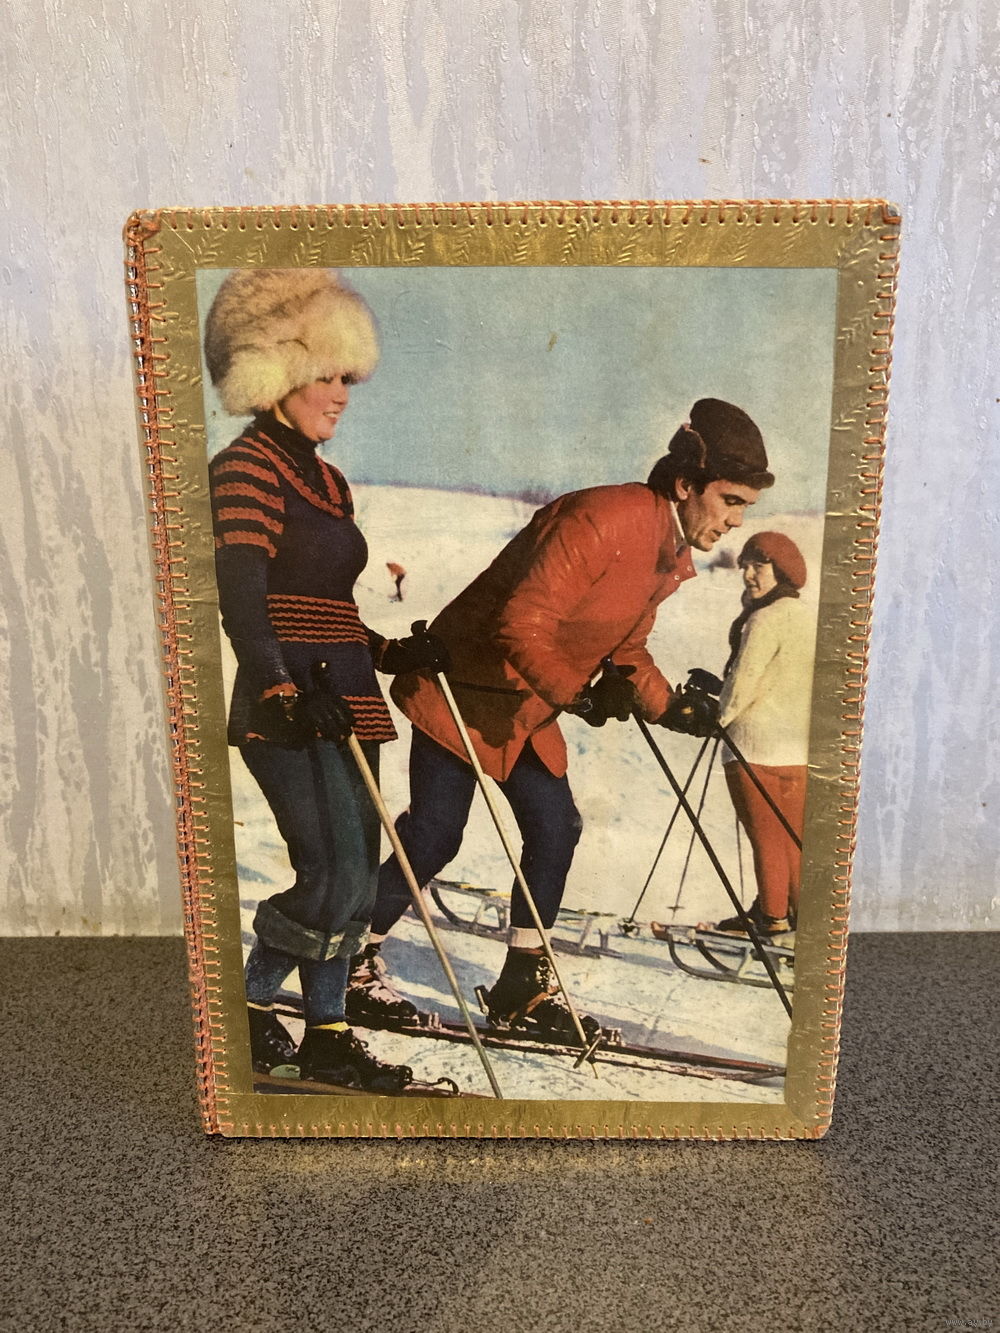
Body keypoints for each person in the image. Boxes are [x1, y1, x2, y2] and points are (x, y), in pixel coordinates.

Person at [347, 398, 775, 1038]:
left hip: (524, 706)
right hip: (462, 691)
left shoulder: (667, 548)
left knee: (555, 828)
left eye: (746, 506)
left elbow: (627, 650)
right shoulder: (601, 518)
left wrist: (671, 708)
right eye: (731, 500)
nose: (736, 521)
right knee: (435, 834)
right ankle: (350, 959)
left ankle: (521, 985)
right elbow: (521, 623)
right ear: (687, 484)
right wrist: (580, 695)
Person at [204, 268, 446, 1092]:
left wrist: (389, 651)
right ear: (274, 374)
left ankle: (328, 1033)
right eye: (326, 375)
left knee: (356, 878)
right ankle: (243, 1006)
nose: (342, 394)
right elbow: (245, 601)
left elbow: (326, 606)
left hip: (343, 700)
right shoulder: (244, 470)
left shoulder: (328, 480)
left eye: (349, 377)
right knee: (329, 872)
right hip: (287, 707)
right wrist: (279, 688)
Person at [700, 532, 813, 936]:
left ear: (781, 570)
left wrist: (716, 716)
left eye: (758, 566)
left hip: (751, 746)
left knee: (765, 836)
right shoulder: (806, 616)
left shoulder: (763, 618)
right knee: (794, 839)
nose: (749, 575)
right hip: (795, 750)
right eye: (744, 566)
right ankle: (799, 916)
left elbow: (744, 682)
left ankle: (771, 917)